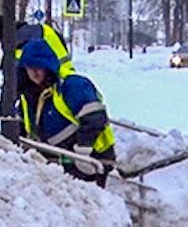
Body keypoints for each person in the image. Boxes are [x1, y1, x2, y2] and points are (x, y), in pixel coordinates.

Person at [17, 38, 116, 185]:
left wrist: (83, 151)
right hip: (57, 162)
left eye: (39, 67)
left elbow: (95, 117)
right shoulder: (28, 95)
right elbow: (24, 126)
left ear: (48, 66)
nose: (34, 72)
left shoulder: (71, 85)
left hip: (91, 158)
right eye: (29, 67)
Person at [0, 15, 73, 78]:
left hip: (52, 85)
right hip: (67, 78)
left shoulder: (18, 48)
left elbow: (14, 80)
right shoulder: (45, 29)